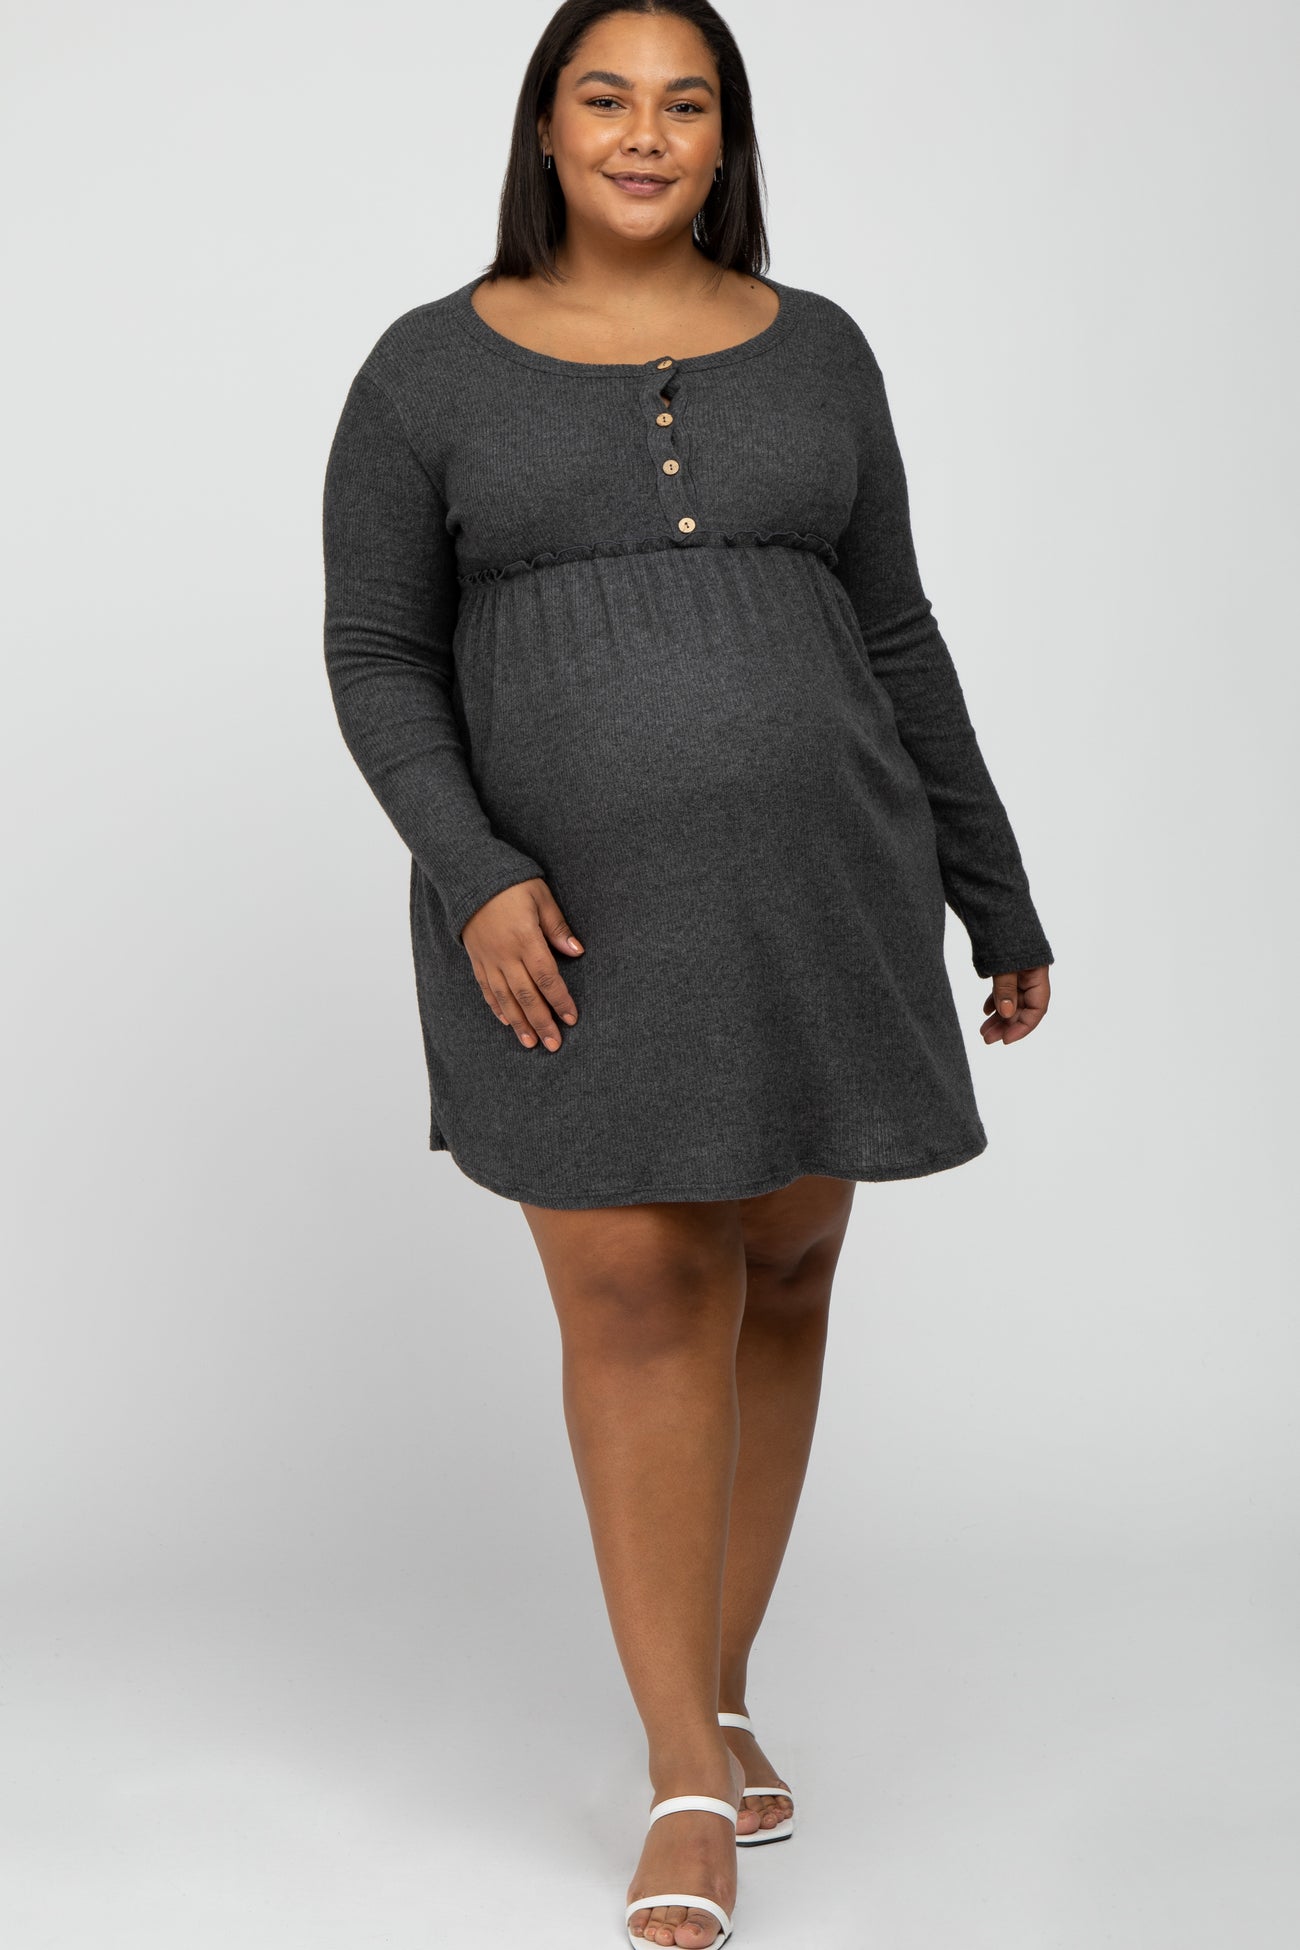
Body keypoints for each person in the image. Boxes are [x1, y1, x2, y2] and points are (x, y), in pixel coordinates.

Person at [321, 3, 1054, 1942]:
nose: (644, 133)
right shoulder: (424, 369)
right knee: (641, 1284)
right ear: (544, 130)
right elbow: (376, 651)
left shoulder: (819, 348)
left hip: (828, 889)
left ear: (724, 138)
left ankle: (718, 1692)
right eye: (605, 97)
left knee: (783, 1266)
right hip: (566, 921)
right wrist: (474, 871)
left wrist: (995, 895)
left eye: (684, 102)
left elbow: (895, 631)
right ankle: (678, 1777)